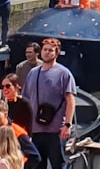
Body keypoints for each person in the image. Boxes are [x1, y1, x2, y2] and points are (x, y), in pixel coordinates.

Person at [21, 39, 74, 169]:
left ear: (56, 53)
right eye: (45, 49)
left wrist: (67, 124)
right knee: (38, 164)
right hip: (35, 130)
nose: (47, 52)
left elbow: (70, 99)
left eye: (50, 50)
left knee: (58, 164)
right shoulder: (33, 73)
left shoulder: (64, 73)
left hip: (56, 130)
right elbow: (25, 100)